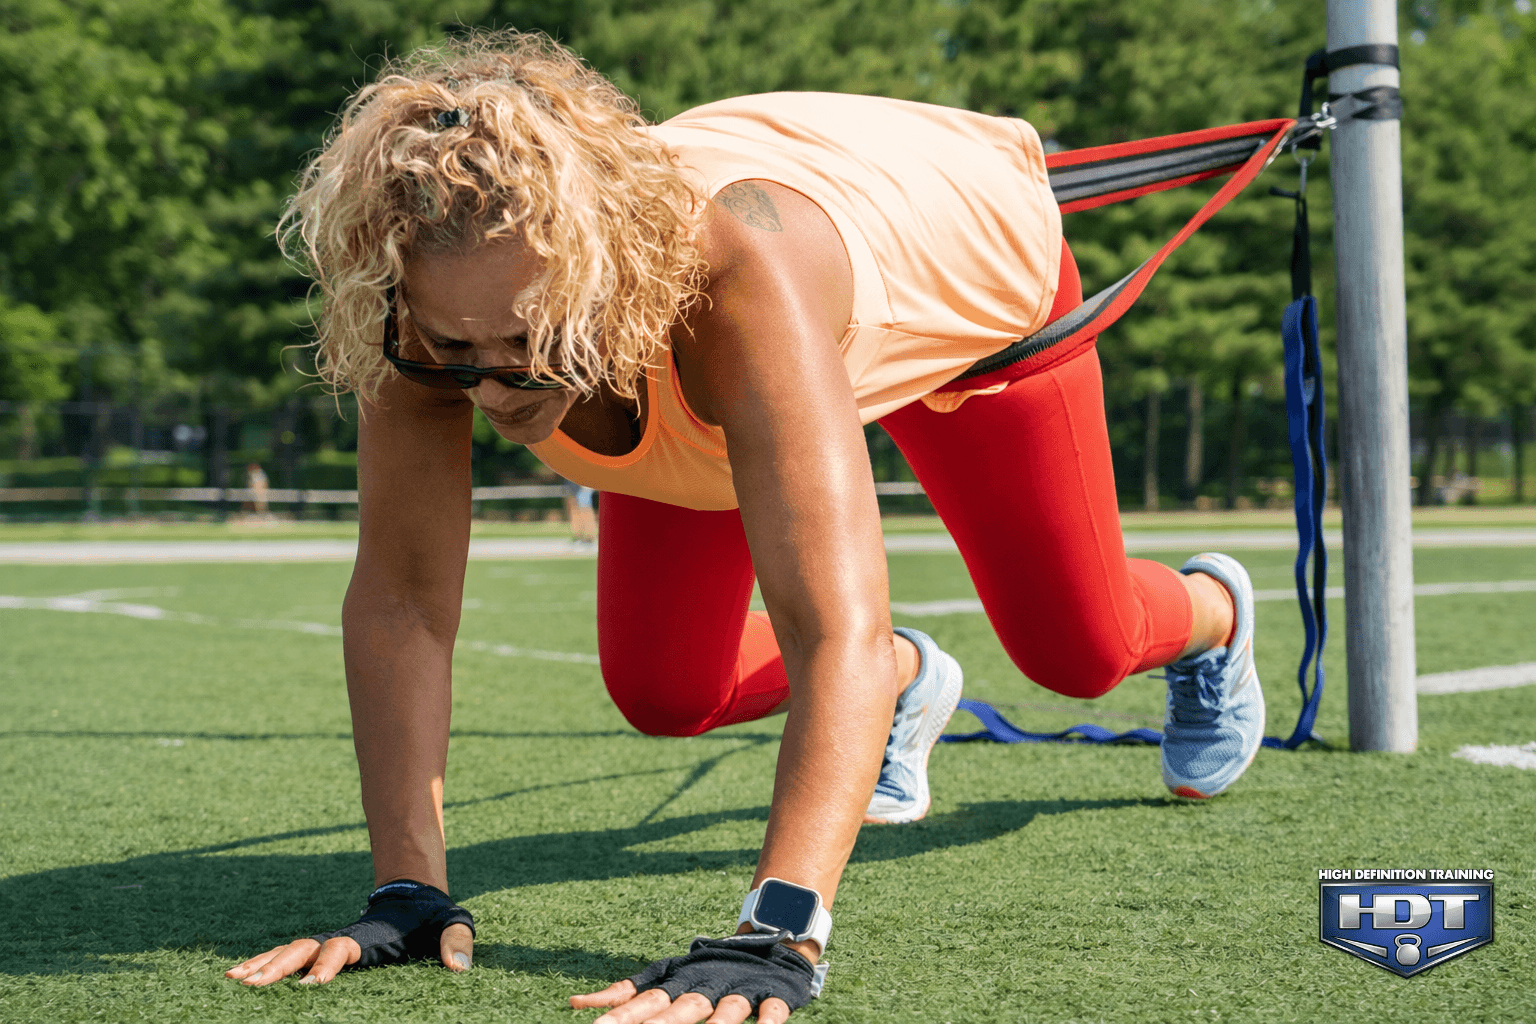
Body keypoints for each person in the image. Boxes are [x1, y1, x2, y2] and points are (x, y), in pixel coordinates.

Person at [224, 30, 1265, 1024]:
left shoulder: (727, 279)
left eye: (533, 341)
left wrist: (776, 933)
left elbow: (829, 630)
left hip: (977, 296)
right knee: (669, 691)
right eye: (463, 346)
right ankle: (910, 683)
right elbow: (404, 603)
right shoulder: (421, 312)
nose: (496, 390)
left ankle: (1214, 616)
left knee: (1078, 650)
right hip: (750, 344)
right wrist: (407, 891)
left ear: (605, 280)